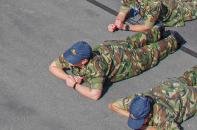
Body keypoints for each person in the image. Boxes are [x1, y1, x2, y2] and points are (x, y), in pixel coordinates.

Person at [109, 57, 197, 130]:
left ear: (150, 115)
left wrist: (149, 129)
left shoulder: (161, 118)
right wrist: (132, 116)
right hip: (171, 86)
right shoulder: (136, 101)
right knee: (188, 77)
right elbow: (112, 105)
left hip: (187, 98)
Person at [49, 29, 180, 100]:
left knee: (148, 55)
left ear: (84, 61)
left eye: (74, 60)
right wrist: (67, 77)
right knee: (132, 42)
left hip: (125, 62)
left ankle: (173, 40)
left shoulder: (95, 68)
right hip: (109, 48)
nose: (69, 61)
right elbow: (53, 66)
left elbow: (95, 94)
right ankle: (157, 31)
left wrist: (75, 85)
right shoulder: (72, 55)